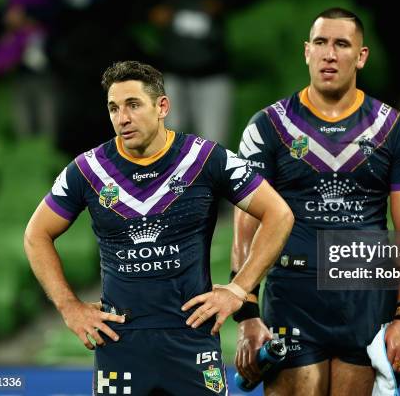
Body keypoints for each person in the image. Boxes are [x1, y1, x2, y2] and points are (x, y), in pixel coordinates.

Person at [23, 60, 294, 395]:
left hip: (192, 343)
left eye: (133, 105)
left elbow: (279, 214)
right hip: (120, 347)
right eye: (114, 108)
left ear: (162, 106)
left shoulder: (205, 159)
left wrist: (239, 290)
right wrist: (69, 307)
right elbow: (36, 235)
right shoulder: (86, 170)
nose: (122, 118)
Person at [232, 8, 400, 395]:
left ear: (362, 55)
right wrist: (247, 317)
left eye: (341, 44)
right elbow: (244, 236)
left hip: (367, 299)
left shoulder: (395, 130)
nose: (330, 54)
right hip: (292, 297)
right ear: (307, 51)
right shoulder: (267, 128)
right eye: (320, 43)